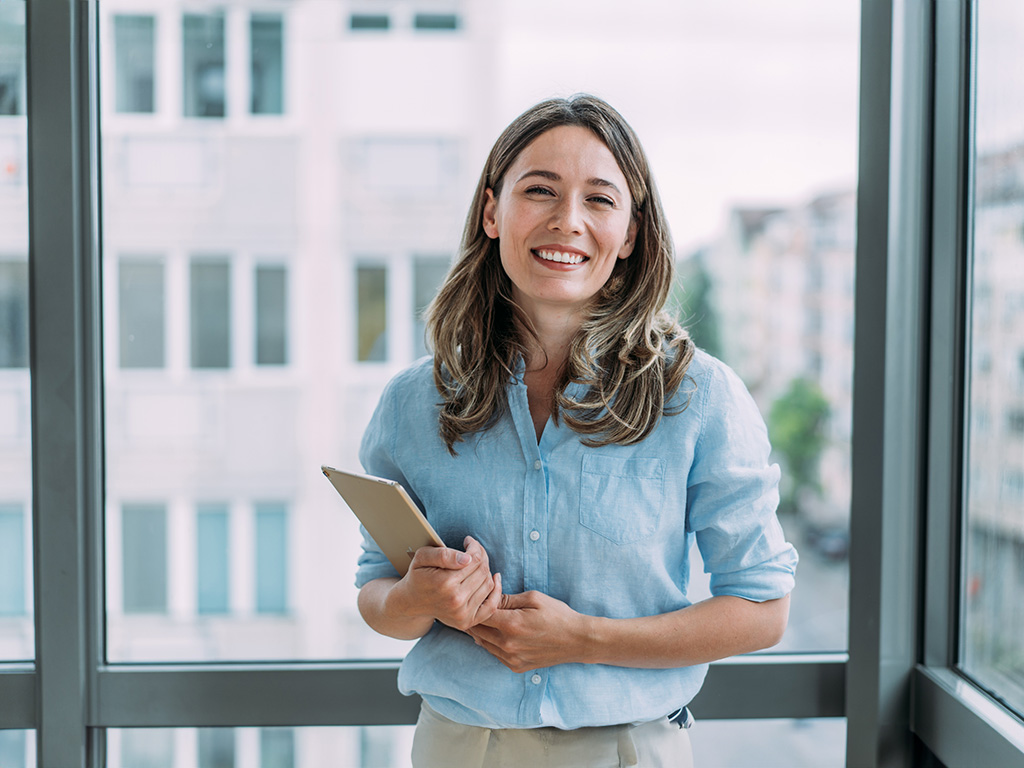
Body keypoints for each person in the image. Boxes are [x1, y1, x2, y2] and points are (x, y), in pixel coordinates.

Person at [355, 93, 798, 767]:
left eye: (599, 199)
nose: (567, 222)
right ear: (492, 212)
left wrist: (585, 639)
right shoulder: (412, 404)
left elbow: (763, 610)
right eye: (540, 191)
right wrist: (418, 599)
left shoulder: (701, 399)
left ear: (630, 236)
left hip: (630, 749)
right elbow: (377, 598)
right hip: (459, 747)